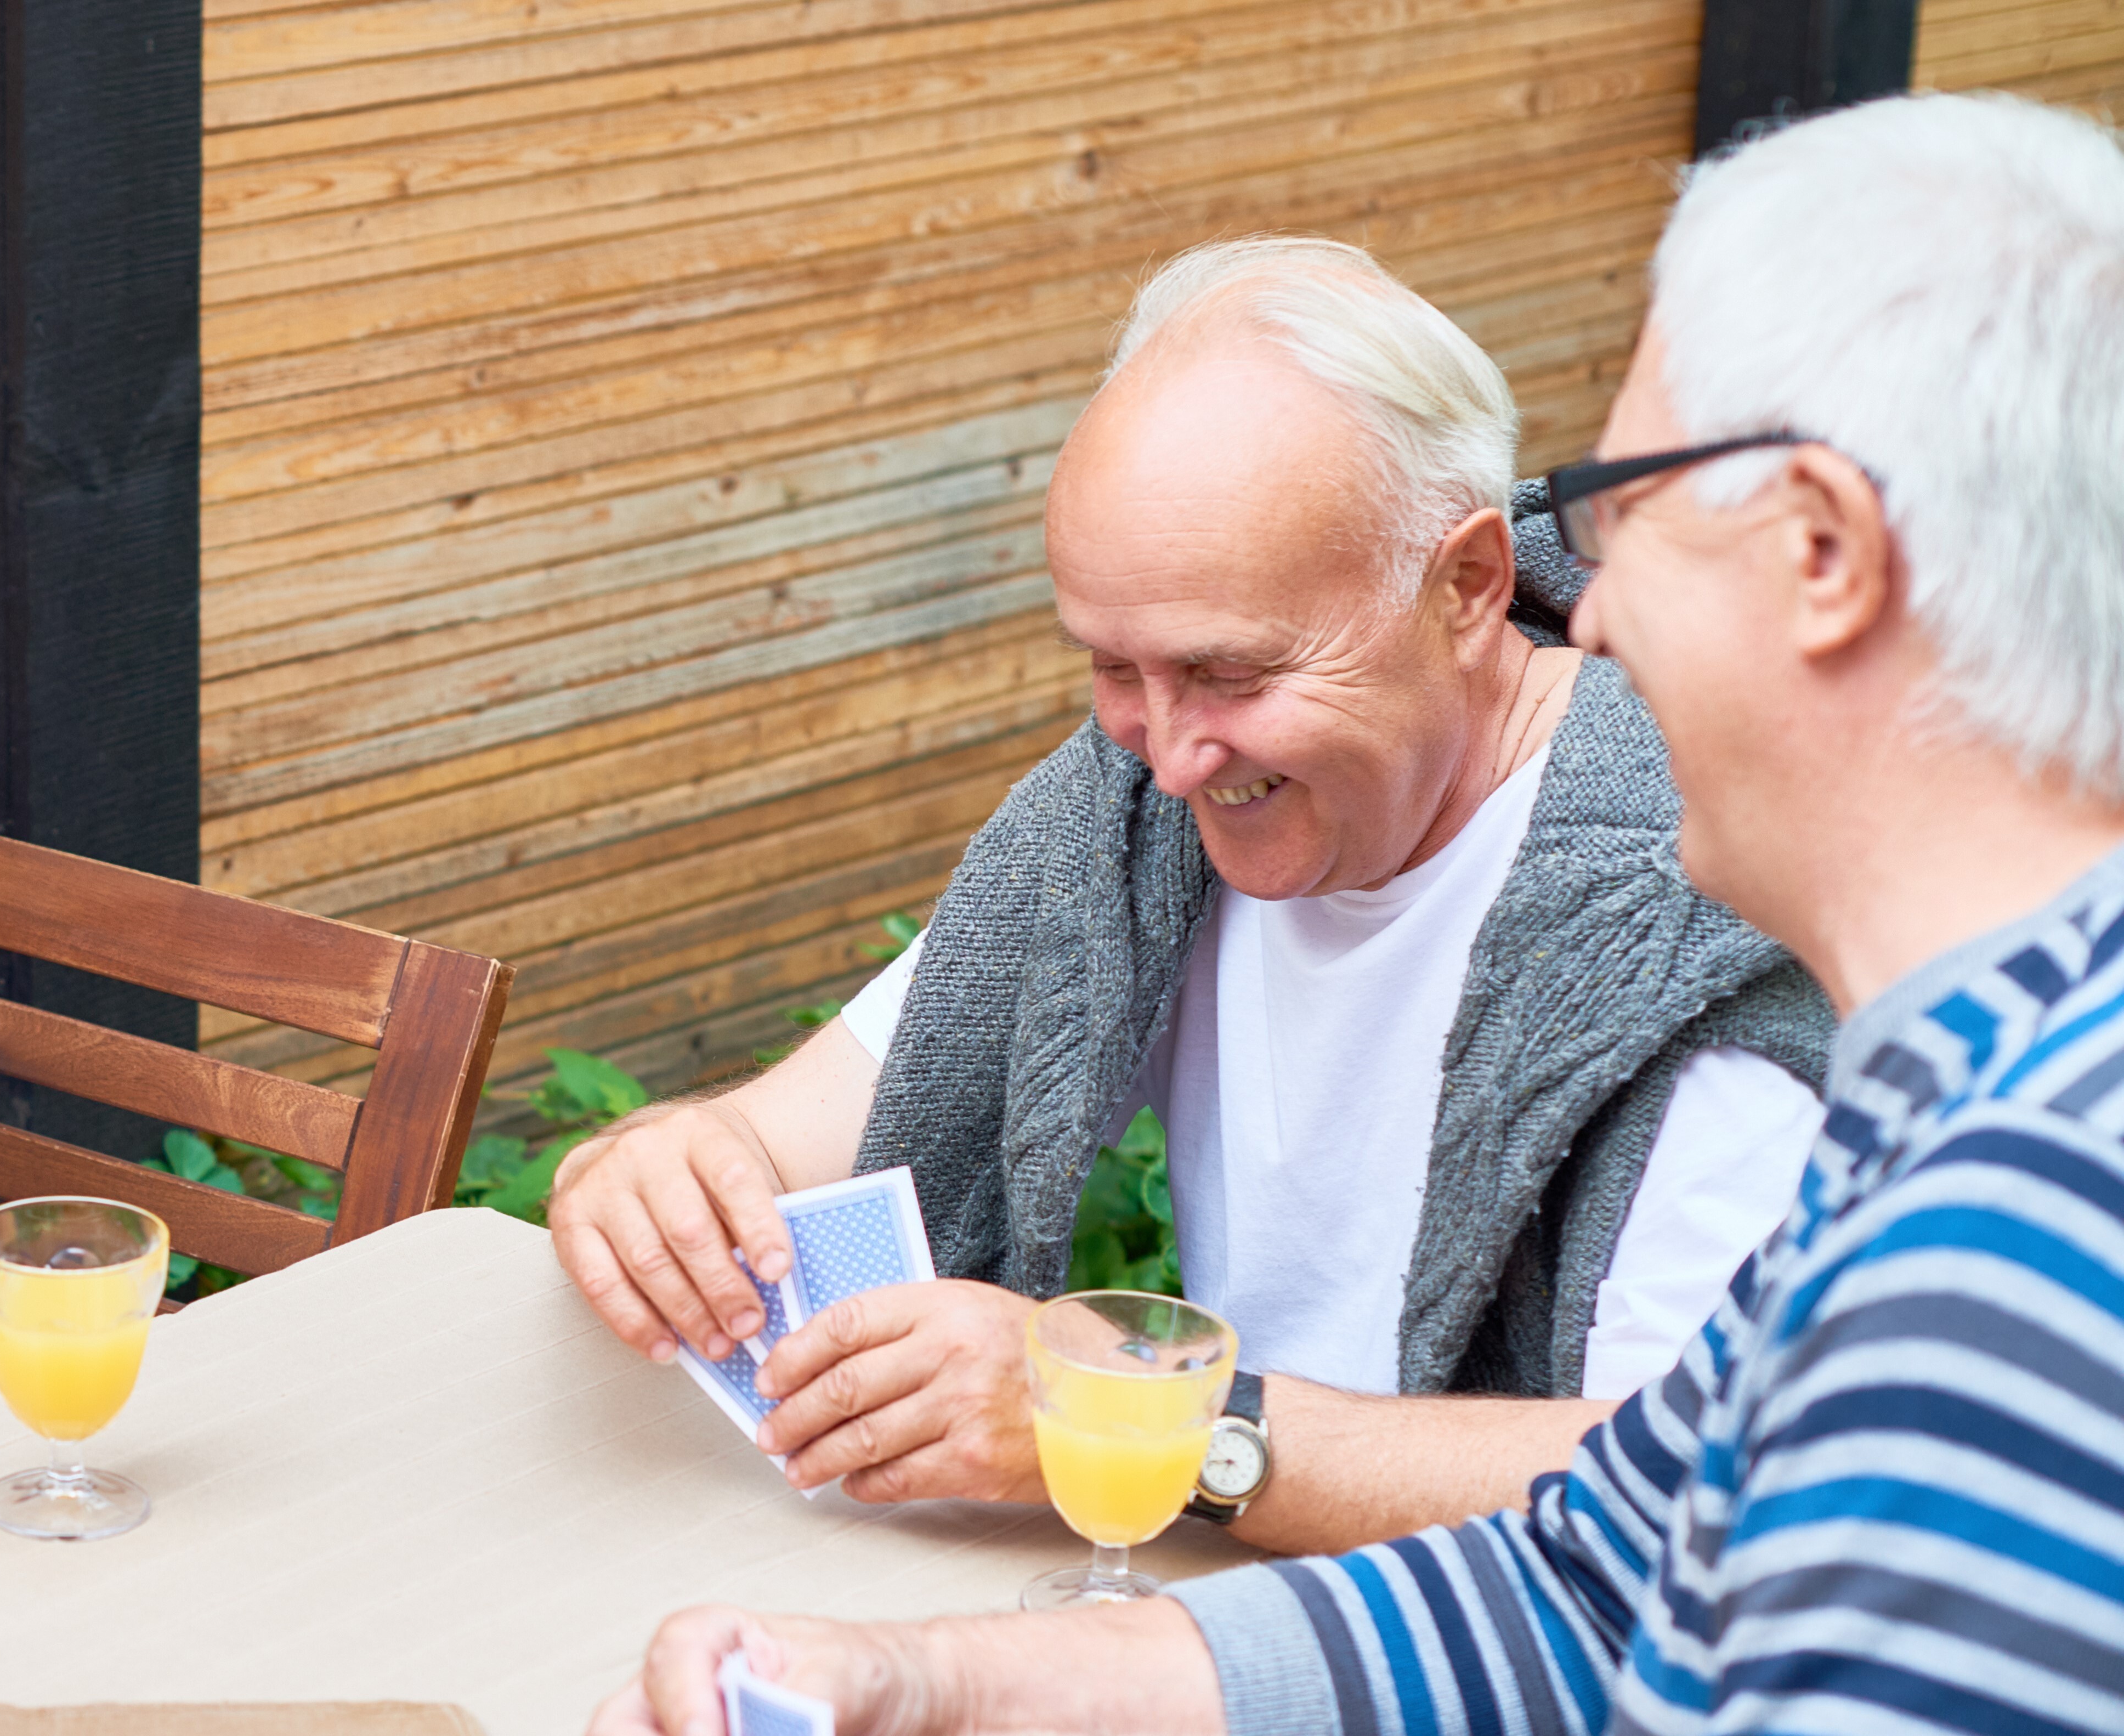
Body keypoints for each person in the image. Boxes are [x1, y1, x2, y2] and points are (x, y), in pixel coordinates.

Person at [598, 88, 2124, 1736]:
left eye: (1626, 507)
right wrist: (930, 1683)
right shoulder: (1963, 1083)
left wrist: (1154, 1434)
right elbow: (1603, 1566)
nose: (1591, 601)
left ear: (1823, 548)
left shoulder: (2018, 1234)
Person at [544, 234, 1834, 1553]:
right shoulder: (1135, 810)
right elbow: (773, 1141)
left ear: (1464, 587)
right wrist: (658, 1169)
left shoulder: (1695, 908)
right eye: (1111, 664)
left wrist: (1159, 1422)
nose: (1164, 754)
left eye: (1228, 673)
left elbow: (1687, 1489)